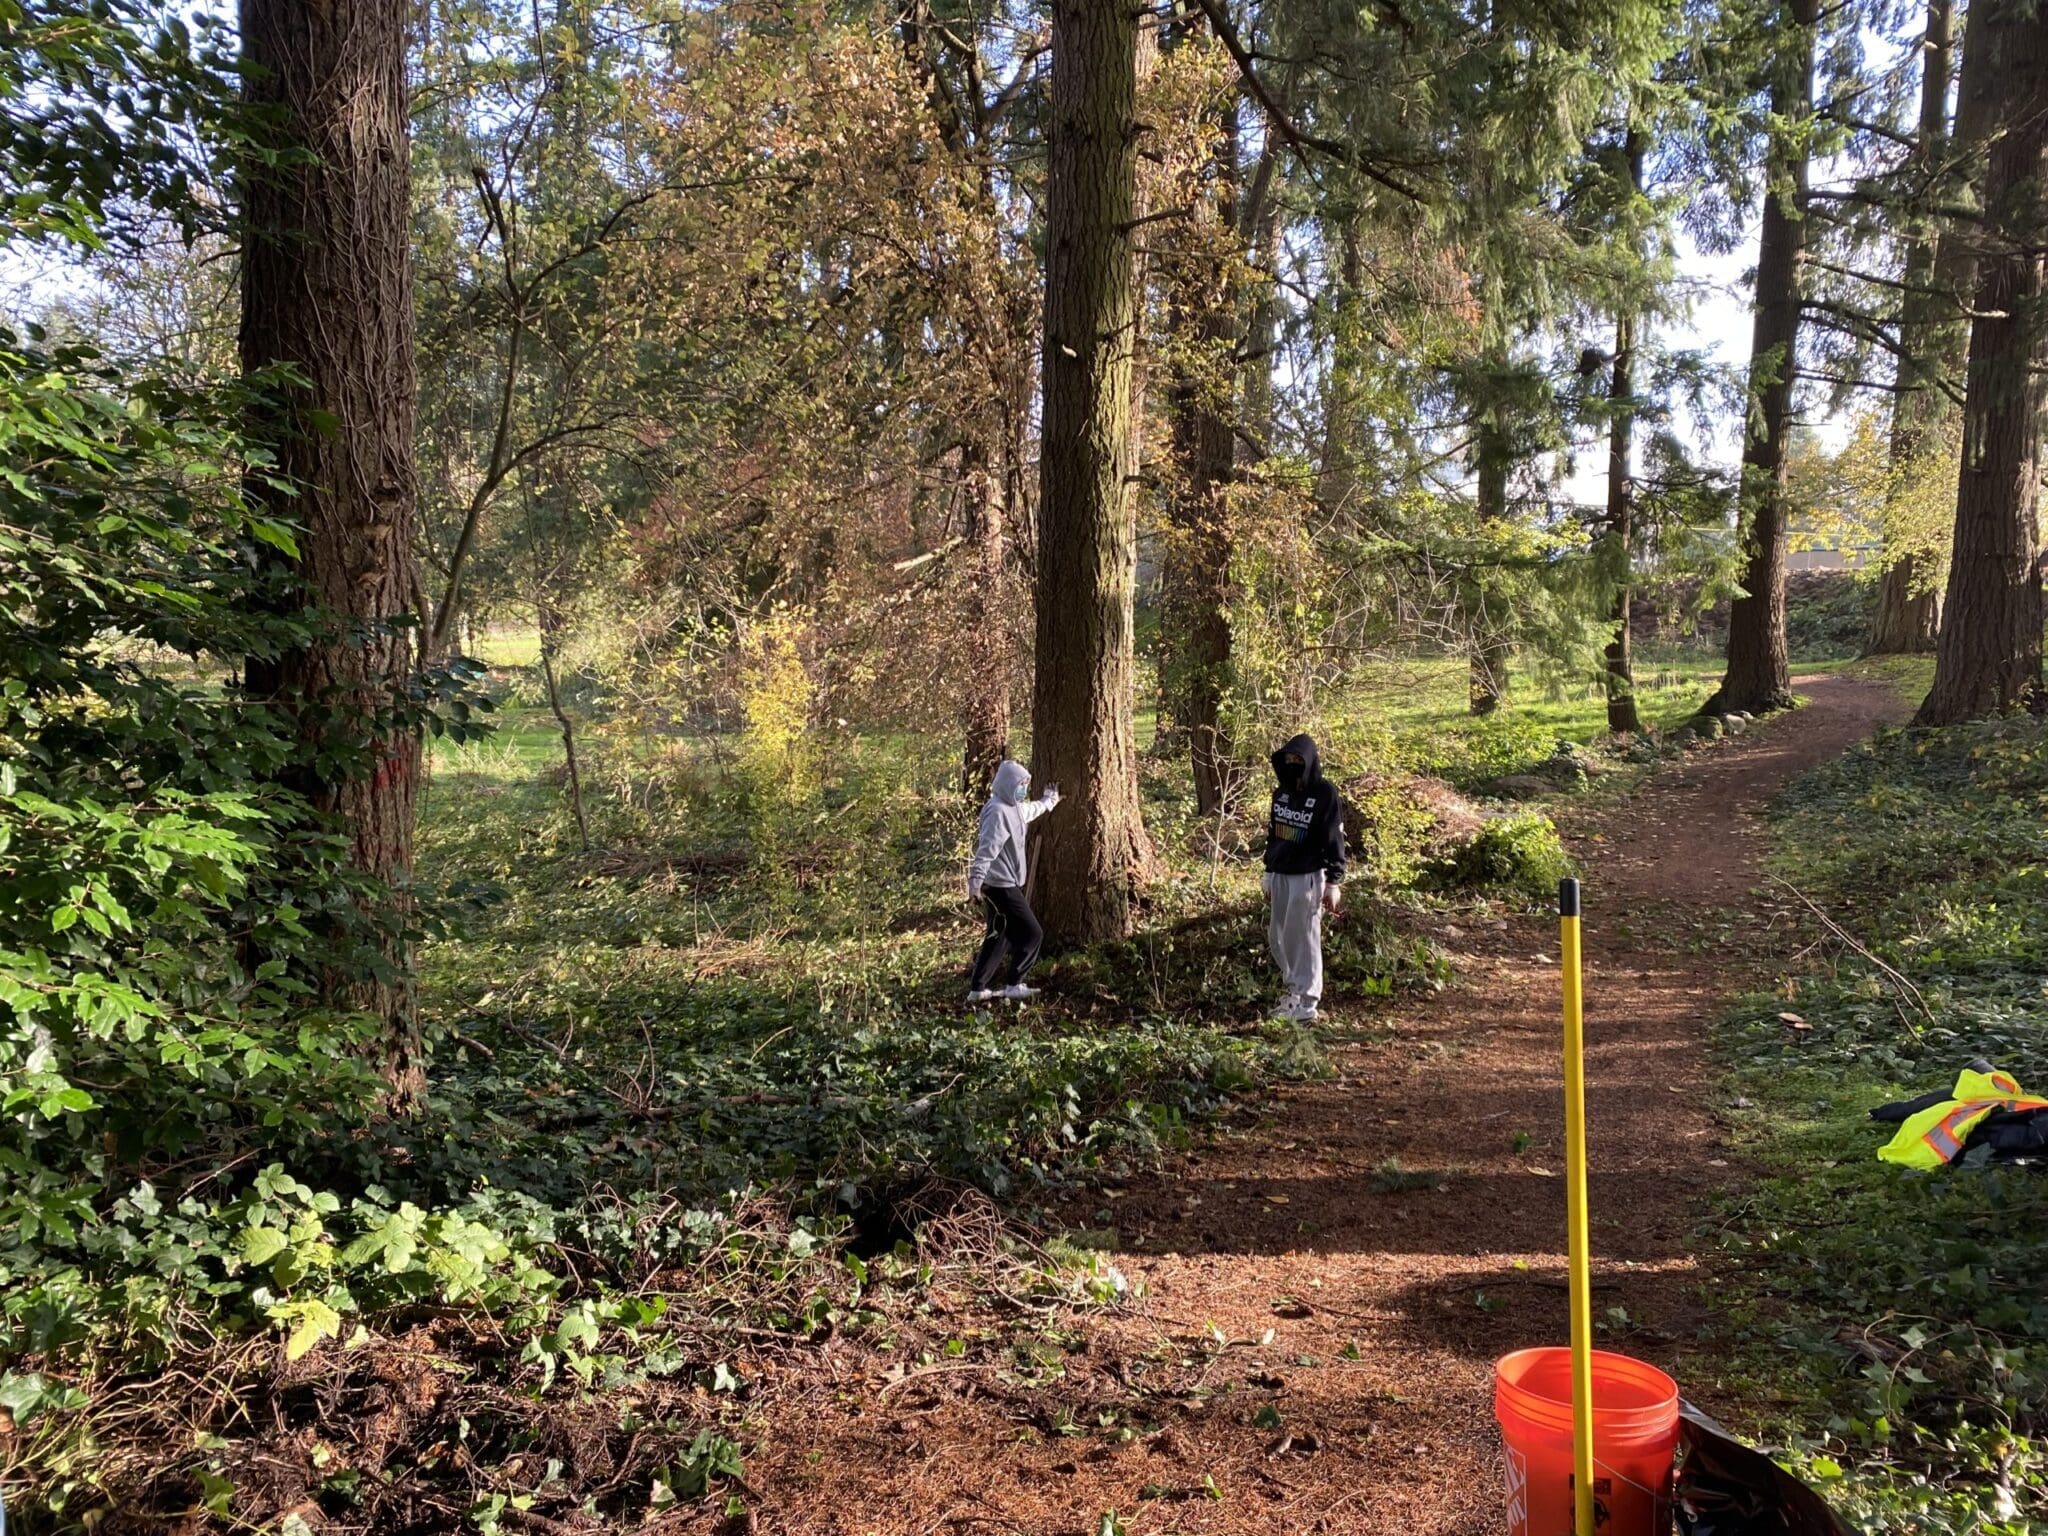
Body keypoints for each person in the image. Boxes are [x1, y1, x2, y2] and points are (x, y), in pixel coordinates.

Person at [1262, 733, 1345, 1021]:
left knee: (1304, 939)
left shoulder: (1324, 794)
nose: (1294, 764)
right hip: (1281, 873)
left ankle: (1308, 1004)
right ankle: (1293, 991)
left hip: (1308, 876)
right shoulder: (1280, 793)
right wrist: (1268, 871)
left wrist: (1334, 881)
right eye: (1289, 760)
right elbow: (1274, 833)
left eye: (1299, 760)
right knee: (1279, 937)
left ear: (1310, 761)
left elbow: (1334, 837)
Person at [965, 760, 1061, 1003]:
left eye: (1026, 784)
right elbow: (987, 849)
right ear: (1008, 784)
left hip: (1003, 882)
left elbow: (1029, 810)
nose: (1024, 789)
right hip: (1000, 885)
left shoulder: (1013, 807)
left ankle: (978, 989)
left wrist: (1048, 801)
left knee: (1000, 933)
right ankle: (1014, 984)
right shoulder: (997, 812)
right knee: (1033, 933)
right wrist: (975, 881)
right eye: (1021, 784)